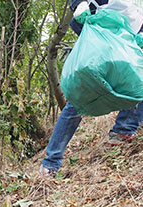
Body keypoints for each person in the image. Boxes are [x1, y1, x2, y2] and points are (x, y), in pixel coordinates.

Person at [40, 0, 143, 177]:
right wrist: (80, 7)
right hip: (102, 31)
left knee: (138, 83)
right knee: (82, 96)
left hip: (131, 30)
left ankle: (123, 130)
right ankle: (51, 163)